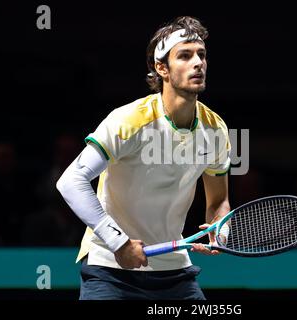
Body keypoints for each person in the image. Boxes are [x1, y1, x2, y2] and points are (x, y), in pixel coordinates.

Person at [56, 16, 231, 300]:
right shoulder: (129, 121)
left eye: (201, 54)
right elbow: (71, 181)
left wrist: (219, 230)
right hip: (110, 268)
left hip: (175, 272)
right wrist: (119, 243)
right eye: (185, 56)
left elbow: (218, 201)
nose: (198, 62)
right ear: (162, 68)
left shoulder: (215, 129)